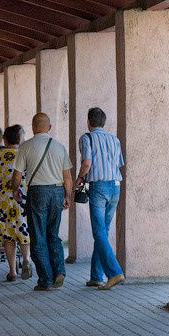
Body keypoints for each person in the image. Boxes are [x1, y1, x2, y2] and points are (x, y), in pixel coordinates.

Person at [11, 113, 73, 291]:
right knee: (53, 235)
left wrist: (15, 189)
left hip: (37, 192)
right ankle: (59, 271)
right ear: (50, 127)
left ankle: (45, 279)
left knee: (38, 237)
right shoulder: (59, 147)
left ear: (32, 126)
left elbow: (17, 175)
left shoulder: (26, 146)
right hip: (57, 191)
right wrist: (67, 196)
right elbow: (67, 176)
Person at [75, 107, 125, 290]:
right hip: (115, 187)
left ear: (89, 122)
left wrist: (79, 179)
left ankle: (114, 272)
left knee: (99, 232)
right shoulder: (114, 140)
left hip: (99, 188)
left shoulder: (86, 138)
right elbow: (119, 163)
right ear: (104, 122)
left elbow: (87, 163)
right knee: (102, 231)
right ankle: (96, 276)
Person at [0, 124, 31, 282]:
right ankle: (26, 260)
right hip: (22, 197)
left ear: (4, 139)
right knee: (23, 228)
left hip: (3, 197)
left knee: (7, 234)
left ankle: (12, 271)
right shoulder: (25, 154)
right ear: (20, 138)